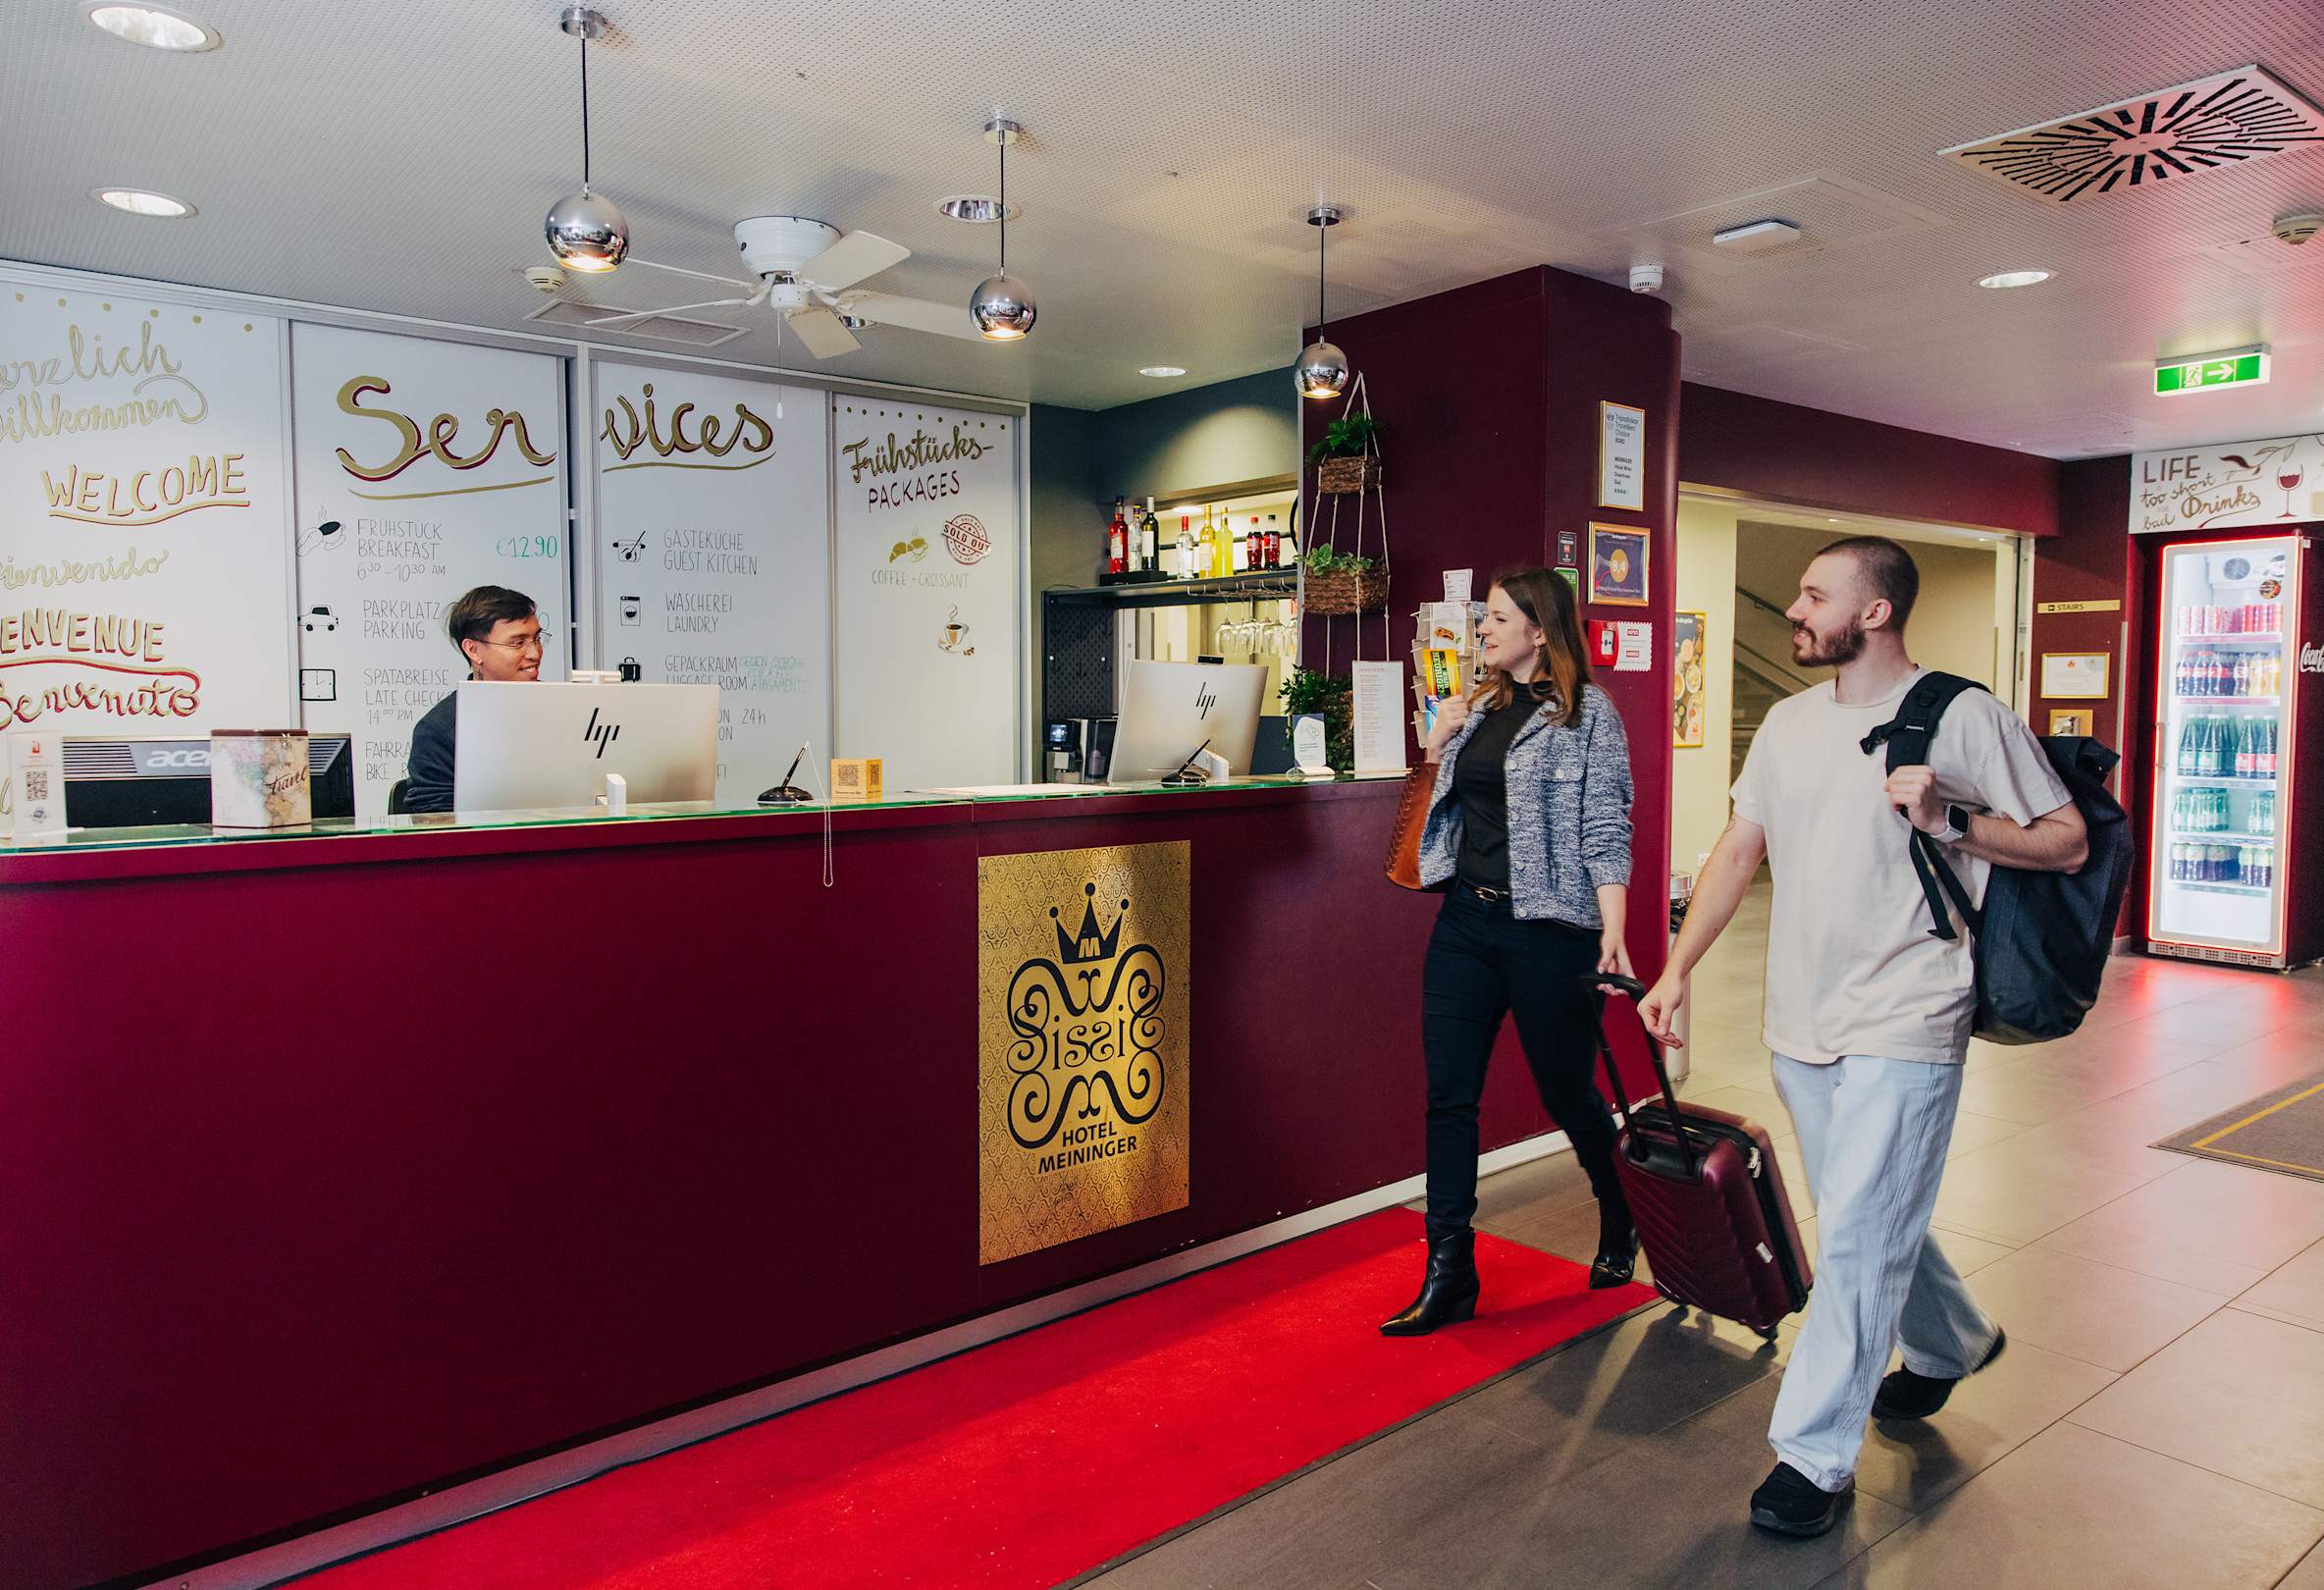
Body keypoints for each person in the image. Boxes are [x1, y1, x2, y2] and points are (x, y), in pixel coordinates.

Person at [1639, 537, 2086, 1538]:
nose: (1795, 610)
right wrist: (1677, 969)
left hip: (1910, 1008)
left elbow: (2066, 841)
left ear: (1874, 612)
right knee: (1862, 1210)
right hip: (1800, 1017)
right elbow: (1738, 849)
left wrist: (1952, 821)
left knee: (1854, 1237)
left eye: (1813, 595)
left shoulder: (1962, 714)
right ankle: (1951, 1338)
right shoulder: (1790, 724)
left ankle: (1812, 1456)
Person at [1382, 567, 1639, 1337]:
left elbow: (1606, 825)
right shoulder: (1477, 706)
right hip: (1466, 923)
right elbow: (1435, 817)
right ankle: (1449, 1269)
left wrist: (1614, 930)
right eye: (1483, 618)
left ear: (1538, 628)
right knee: (1449, 1096)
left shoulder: (1589, 714)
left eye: (1495, 618)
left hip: (1550, 934)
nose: (1483, 629)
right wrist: (1437, 742)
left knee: (1568, 1093)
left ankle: (1620, 1208)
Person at [402, 586, 544, 814]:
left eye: (536, 639)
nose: (534, 653)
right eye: (517, 643)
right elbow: (434, 820)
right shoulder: (438, 731)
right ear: (474, 650)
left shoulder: (564, 708)